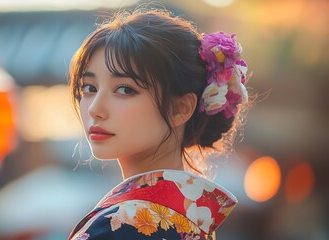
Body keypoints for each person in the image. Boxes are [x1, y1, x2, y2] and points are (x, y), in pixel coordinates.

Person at [68, 7, 249, 240]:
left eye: (125, 89)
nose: (95, 109)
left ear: (180, 108)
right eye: (89, 88)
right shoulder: (193, 224)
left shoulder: (120, 226)